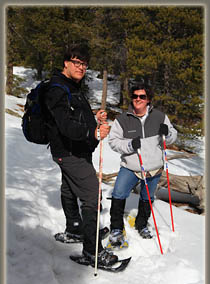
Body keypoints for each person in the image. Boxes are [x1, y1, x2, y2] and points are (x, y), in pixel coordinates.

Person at [44, 44, 118, 266]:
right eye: (77, 62)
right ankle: (93, 252)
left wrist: (94, 117)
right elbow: (65, 125)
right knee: (92, 196)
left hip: (72, 151)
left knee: (68, 188)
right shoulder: (57, 89)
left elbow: (75, 116)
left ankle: (75, 228)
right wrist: (93, 131)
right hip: (69, 153)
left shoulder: (72, 86)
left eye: (84, 64)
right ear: (66, 63)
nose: (81, 67)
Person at [108, 83, 177, 247]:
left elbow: (173, 136)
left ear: (148, 100)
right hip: (131, 167)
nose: (138, 99)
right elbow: (113, 142)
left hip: (154, 168)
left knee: (147, 197)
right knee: (118, 194)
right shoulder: (122, 119)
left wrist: (168, 133)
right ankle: (116, 228)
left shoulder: (160, 116)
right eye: (135, 96)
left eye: (142, 96)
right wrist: (130, 145)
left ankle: (141, 224)